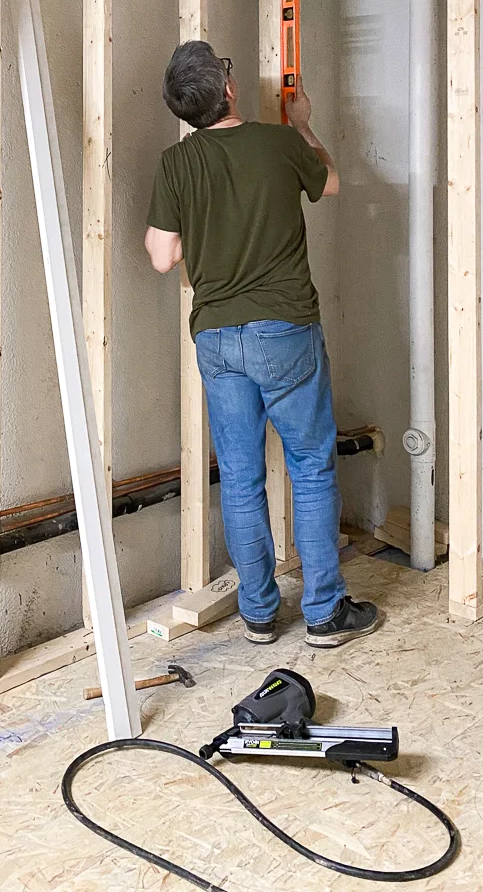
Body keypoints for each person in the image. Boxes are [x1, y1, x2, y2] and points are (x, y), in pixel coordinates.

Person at [145, 40, 379, 647]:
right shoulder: (279, 145)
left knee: (244, 478)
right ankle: (325, 614)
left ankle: (258, 616)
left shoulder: (176, 164)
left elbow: (162, 256)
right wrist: (304, 125)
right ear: (227, 89)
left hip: (218, 339)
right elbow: (331, 182)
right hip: (285, 331)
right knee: (309, 467)